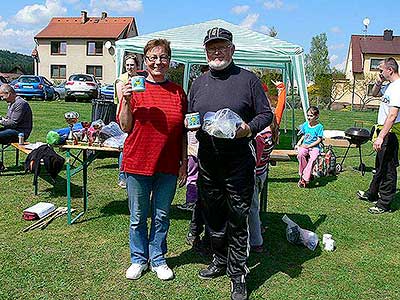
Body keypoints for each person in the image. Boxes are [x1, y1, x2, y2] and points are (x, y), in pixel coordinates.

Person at [188, 27, 272, 300]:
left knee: (237, 218)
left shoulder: (248, 80)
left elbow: (265, 114)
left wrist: (248, 128)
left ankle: (238, 275)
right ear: (206, 52)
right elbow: (190, 116)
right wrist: (190, 126)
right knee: (213, 215)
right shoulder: (198, 82)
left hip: (238, 163)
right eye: (212, 47)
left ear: (232, 50)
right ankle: (219, 259)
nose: (217, 51)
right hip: (208, 161)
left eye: (222, 46)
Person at [119, 39, 188, 281]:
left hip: (168, 164)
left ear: (169, 60)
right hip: (138, 162)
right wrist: (125, 100)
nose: (158, 62)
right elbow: (125, 126)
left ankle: (157, 258)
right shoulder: (134, 88)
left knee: (161, 215)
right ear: (145, 61)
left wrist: (184, 162)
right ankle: (138, 259)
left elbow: (182, 132)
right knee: (138, 216)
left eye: (163, 57)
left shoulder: (178, 91)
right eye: (152, 57)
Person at [357, 57, 400, 214]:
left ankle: (384, 204)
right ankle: (372, 193)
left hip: (391, 132)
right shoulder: (390, 86)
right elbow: (374, 93)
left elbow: (392, 116)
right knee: (379, 166)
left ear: (390, 70)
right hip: (384, 130)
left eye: (381, 70)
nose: (379, 72)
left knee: (388, 169)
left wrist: (381, 136)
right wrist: (379, 81)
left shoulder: (398, 88)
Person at [248, 115, 279, 253]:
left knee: (252, 208)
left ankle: (256, 241)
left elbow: (256, 159)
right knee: (254, 205)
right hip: (262, 173)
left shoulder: (261, 136)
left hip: (254, 175)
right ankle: (258, 227)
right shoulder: (272, 132)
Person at [114, 54, 139, 188]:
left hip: (138, 114)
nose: (129, 67)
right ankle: (122, 176)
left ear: (137, 66)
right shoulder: (121, 80)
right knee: (125, 145)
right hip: (125, 114)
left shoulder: (141, 78)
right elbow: (122, 99)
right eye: (127, 65)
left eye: (132, 65)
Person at [0, 84, 33, 170]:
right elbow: (8, 119)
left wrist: (1, 121)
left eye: (2, 96)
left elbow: (13, 123)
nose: (2, 99)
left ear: (9, 94)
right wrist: (2, 119)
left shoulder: (20, 103)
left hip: (20, 133)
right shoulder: (12, 103)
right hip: (13, 129)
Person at [295, 106, 324, 188]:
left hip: (314, 147)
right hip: (305, 146)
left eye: (311, 116)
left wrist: (309, 146)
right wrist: (299, 143)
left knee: (313, 157)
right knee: (300, 154)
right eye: (308, 115)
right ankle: (304, 173)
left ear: (316, 116)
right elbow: (304, 135)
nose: (309, 117)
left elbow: (319, 140)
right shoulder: (305, 125)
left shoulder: (319, 127)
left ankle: (304, 177)